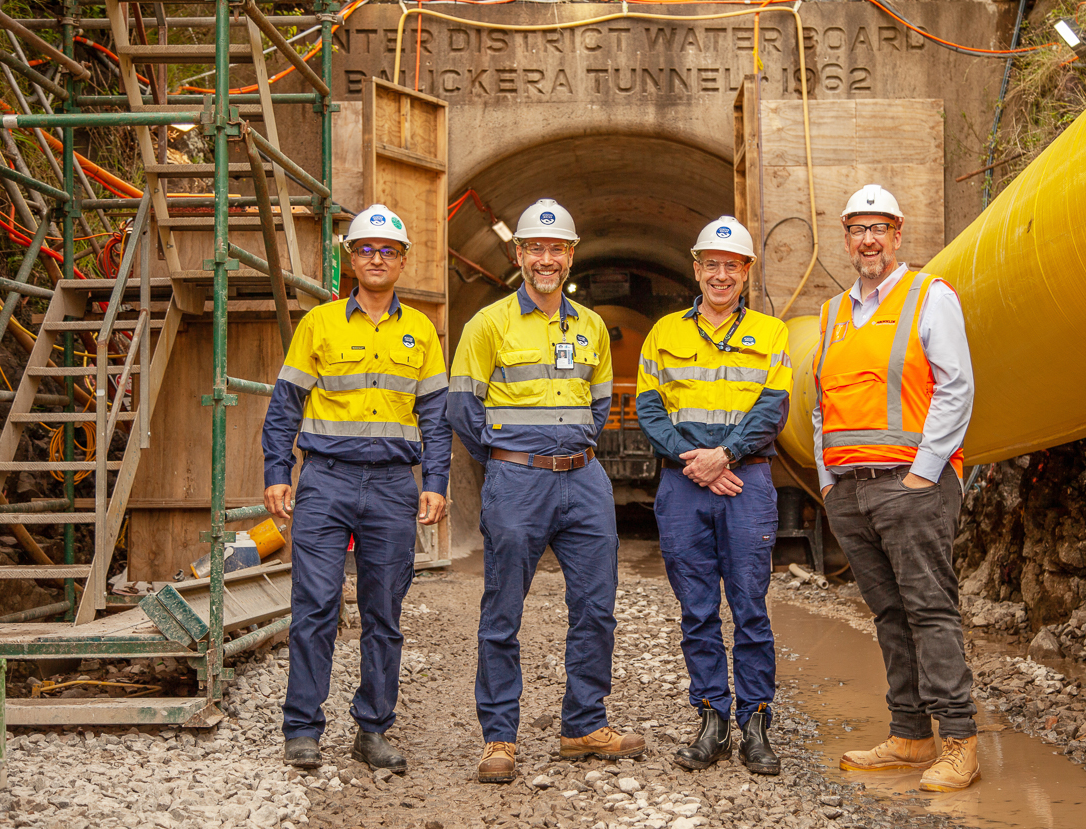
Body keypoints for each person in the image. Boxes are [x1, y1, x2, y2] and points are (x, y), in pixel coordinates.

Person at [447, 198, 645, 784]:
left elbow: (601, 403)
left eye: (556, 248)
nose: (546, 258)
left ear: (570, 255)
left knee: (596, 607)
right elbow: (463, 408)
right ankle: (498, 739)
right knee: (503, 610)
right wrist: (509, 457)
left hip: (584, 478)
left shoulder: (588, 327)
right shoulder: (488, 324)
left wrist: (567, 450)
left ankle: (583, 724)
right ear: (519, 255)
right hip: (517, 479)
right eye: (536, 247)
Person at [262, 203, 452, 773]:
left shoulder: (420, 331)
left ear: (401, 262)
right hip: (325, 481)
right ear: (351, 258)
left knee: (384, 612)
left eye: (387, 250)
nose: (376, 258)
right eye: (366, 249)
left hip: (394, 486)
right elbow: (284, 407)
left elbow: (437, 418)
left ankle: (373, 728)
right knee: (315, 605)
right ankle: (302, 729)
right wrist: (278, 471)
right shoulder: (319, 324)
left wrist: (435, 483)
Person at [811, 184, 979, 792]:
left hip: (912, 487)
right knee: (889, 612)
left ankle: (959, 741)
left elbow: (956, 387)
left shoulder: (928, 296)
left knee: (930, 610)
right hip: (851, 492)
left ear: (898, 234)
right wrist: (828, 481)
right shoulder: (832, 314)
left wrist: (923, 472)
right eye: (858, 228)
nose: (869, 239)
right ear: (846, 236)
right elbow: (821, 405)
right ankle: (910, 735)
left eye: (880, 227)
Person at [635, 217, 790, 775]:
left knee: (750, 607)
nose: (721, 274)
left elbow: (773, 408)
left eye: (733, 265)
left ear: (746, 273)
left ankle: (755, 724)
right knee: (697, 609)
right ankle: (712, 719)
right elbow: (649, 408)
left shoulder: (771, 335)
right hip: (683, 485)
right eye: (711, 264)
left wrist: (722, 456)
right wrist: (693, 461)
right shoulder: (663, 333)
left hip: (745, 482)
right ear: (696, 269)